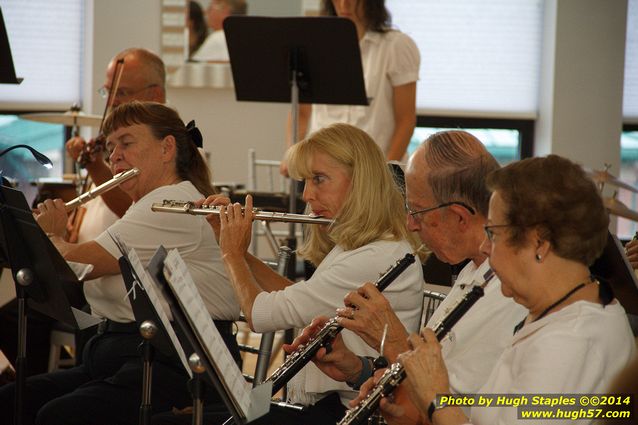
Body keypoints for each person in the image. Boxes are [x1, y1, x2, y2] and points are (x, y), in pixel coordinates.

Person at [0, 101, 240, 425]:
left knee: (57, 416)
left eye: (126, 143)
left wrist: (52, 236)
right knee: (12, 401)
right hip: (125, 357)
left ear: (167, 148)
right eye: (110, 147)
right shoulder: (145, 204)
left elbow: (79, 265)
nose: (113, 156)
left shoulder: (169, 203)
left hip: (177, 364)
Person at [288, 131, 526, 419]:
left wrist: (392, 342)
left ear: (459, 217)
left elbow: (455, 406)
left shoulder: (509, 294)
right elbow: (430, 380)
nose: (411, 225)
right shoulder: (473, 270)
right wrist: (358, 369)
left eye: (417, 211)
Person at [201, 123, 424, 425]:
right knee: (200, 416)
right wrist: (236, 250)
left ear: (361, 182)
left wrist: (231, 253)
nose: (306, 194)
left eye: (319, 179)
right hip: (320, 403)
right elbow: (297, 297)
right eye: (305, 181)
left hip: (345, 412)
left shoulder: (376, 257)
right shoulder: (360, 246)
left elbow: (259, 314)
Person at [389, 155, 636, 425]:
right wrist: (426, 406)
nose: (484, 246)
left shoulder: (570, 342)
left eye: (493, 233)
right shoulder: (556, 310)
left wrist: (435, 398)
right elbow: (508, 406)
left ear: (539, 243)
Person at [0, 48, 168, 381]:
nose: (114, 101)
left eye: (122, 92)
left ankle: (56, 384)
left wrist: (95, 166)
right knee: (16, 310)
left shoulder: (170, 147)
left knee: (61, 310)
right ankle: (29, 384)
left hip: (121, 281)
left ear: (155, 95)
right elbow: (90, 219)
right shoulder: (111, 150)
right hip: (83, 269)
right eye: (109, 92)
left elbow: (135, 206)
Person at [282, 0, 420, 175]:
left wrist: (384, 172)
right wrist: (291, 155)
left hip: (372, 172)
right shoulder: (316, 43)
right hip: (322, 173)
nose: (344, 4)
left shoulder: (396, 45)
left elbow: (405, 120)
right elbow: (301, 112)